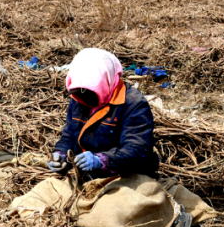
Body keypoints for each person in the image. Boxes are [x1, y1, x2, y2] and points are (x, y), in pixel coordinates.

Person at [48, 48, 158, 179]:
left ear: (105, 79)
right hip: (85, 175)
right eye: (78, 91)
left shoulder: (133, 103)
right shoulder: (79, 97)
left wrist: (101, 161)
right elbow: (69, 136)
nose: (83, 98)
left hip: (124, 176)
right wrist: (61, 156)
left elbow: (137, 151)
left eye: (89, 91)